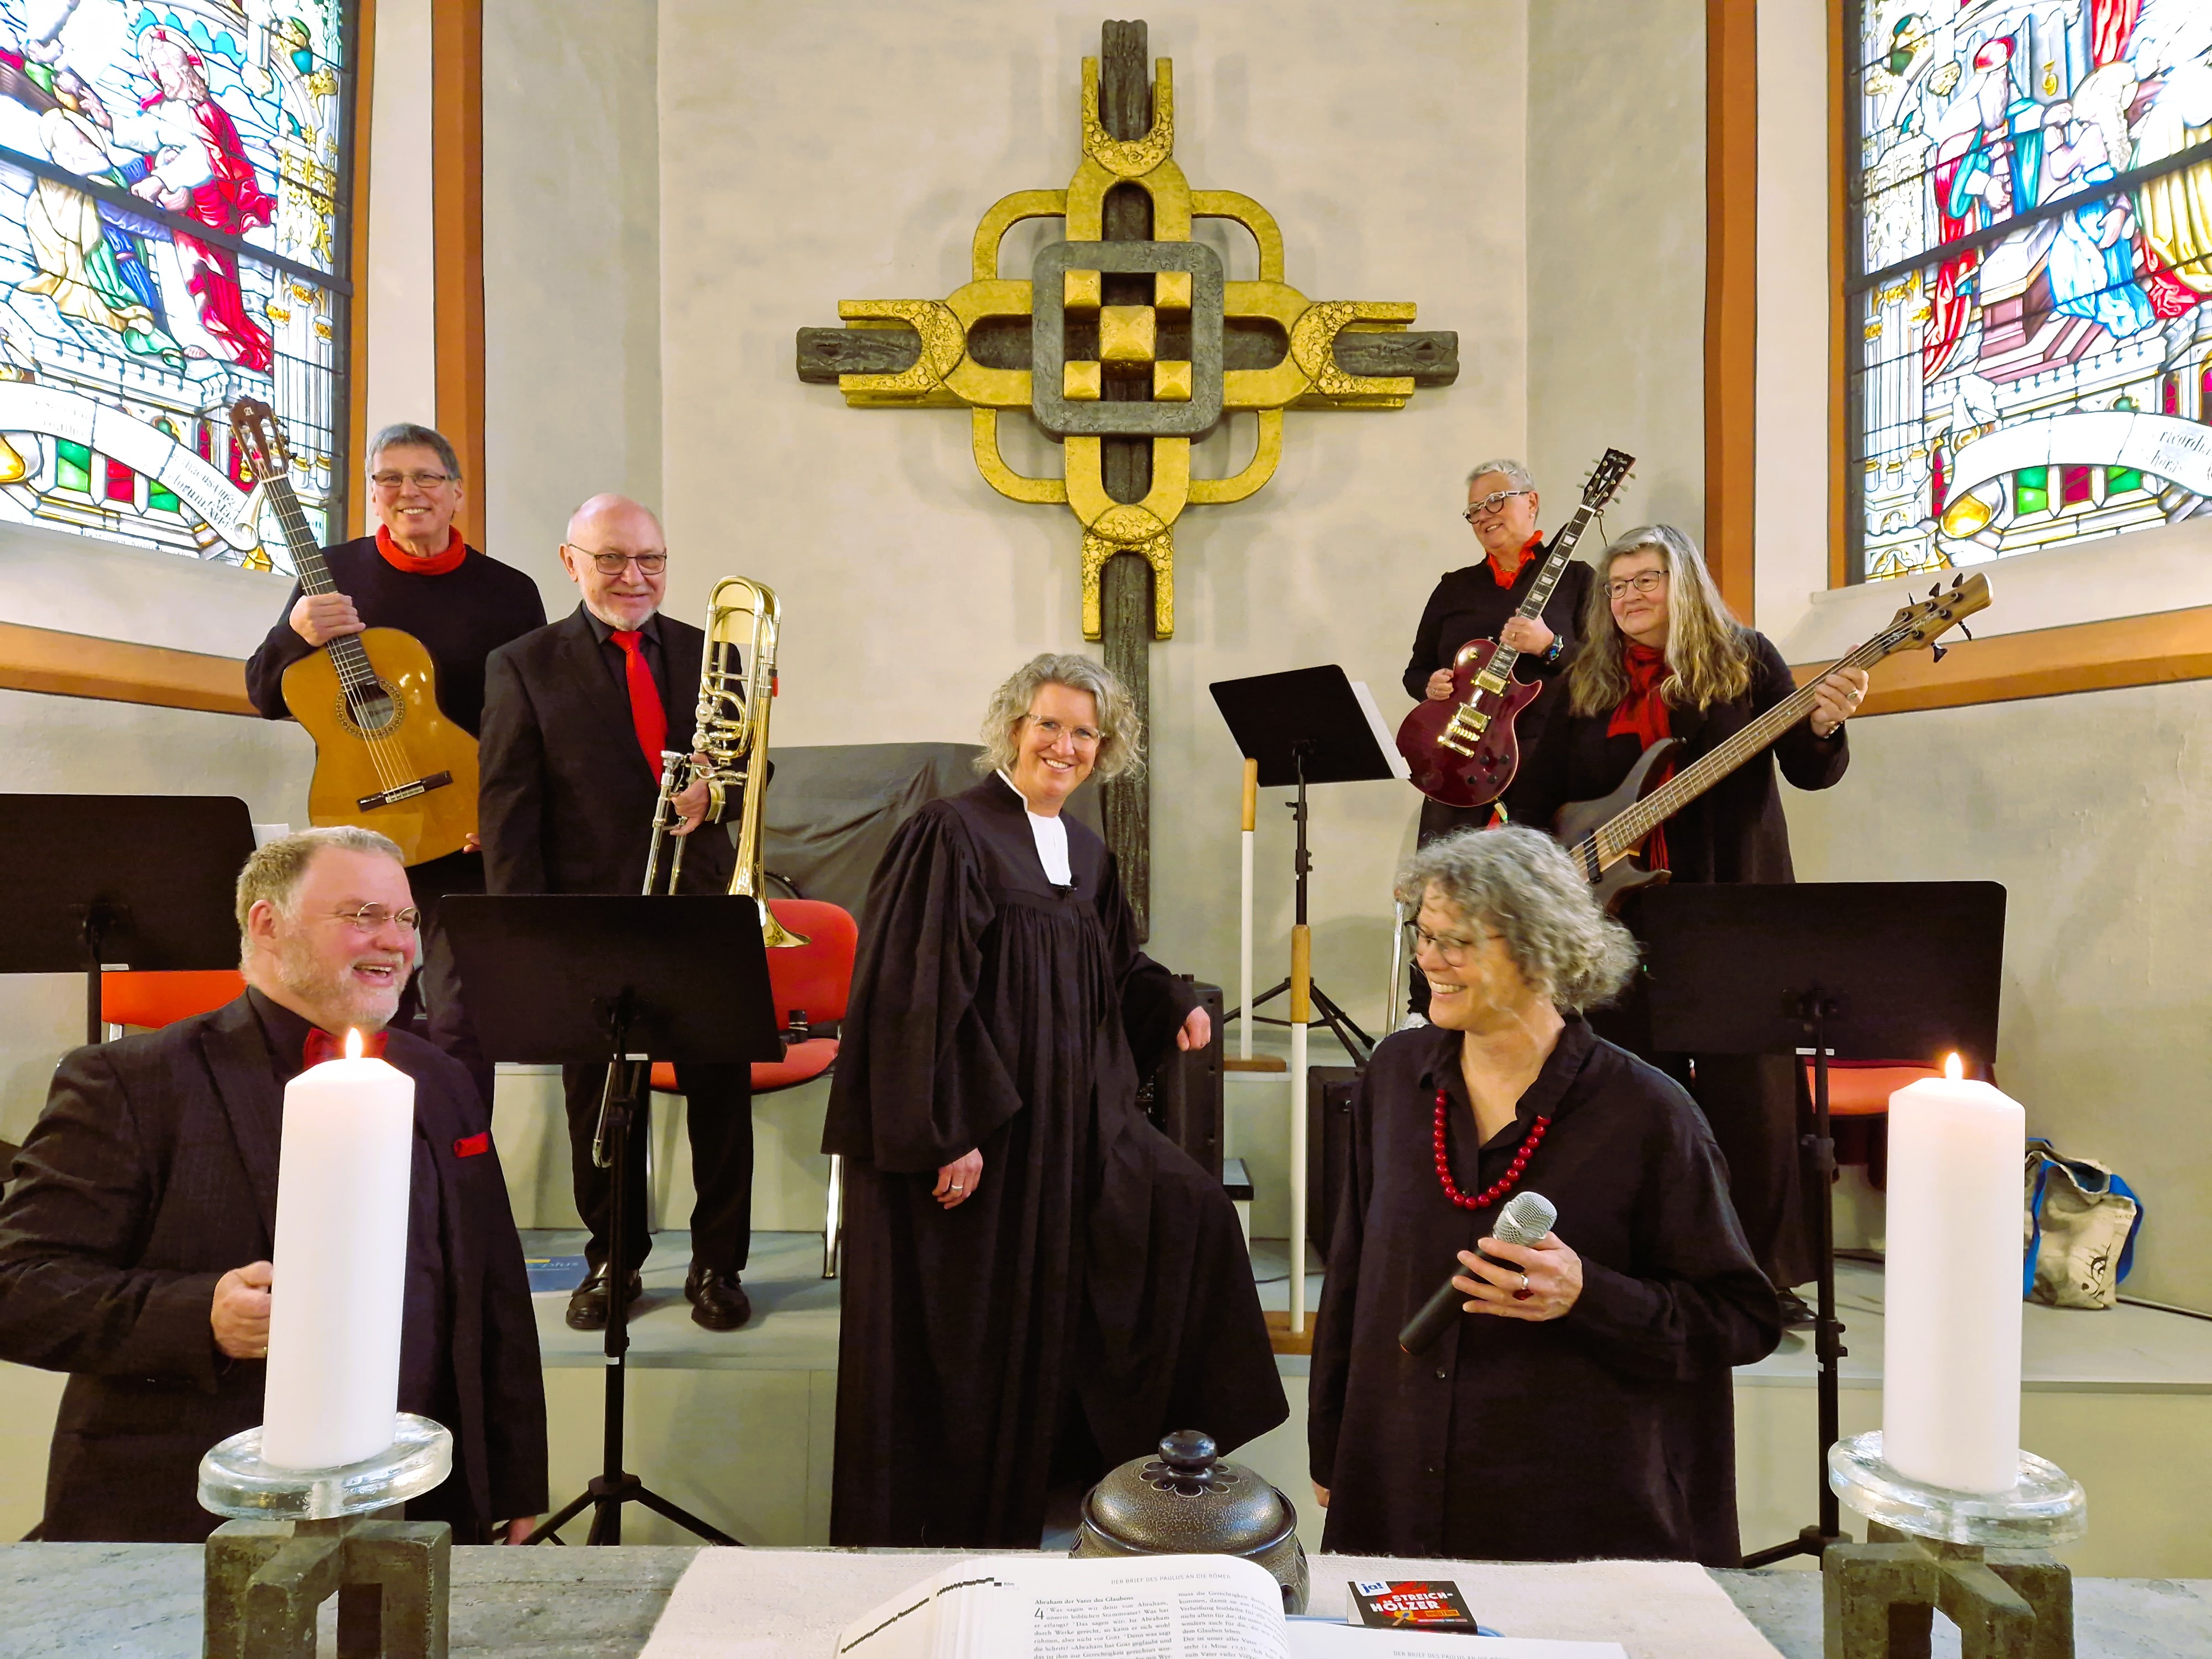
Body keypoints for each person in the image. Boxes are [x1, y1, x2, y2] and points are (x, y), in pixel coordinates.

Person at [823, 654, 1286, 1547]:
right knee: (974, 1342)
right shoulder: (950, 834)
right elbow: (913, 995)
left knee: (1186, 1210)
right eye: (1049, 725)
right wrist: (946, 1129)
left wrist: (1177, 1004)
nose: (1064, 746)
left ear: (1103, 748)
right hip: (986, 1134)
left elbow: (1113, 970)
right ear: (1012, 727)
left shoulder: (1084, 851)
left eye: (1084, 732)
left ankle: (1142, 1469)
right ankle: (956, 1526)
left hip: (1074, 1127)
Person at [0, 827, 547, 1543]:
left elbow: (491, 1288)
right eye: (362, 916)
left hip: (414, 1510)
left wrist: (509, 1478)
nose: (397, 942)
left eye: (406, 919)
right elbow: (18, 1286)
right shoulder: (130, 1082)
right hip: (180, 1519)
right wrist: (203, 1316)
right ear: (268, 923)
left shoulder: (439, 1078)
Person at [1308, 826, 1781, 1564]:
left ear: (1540, 950)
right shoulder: (1394, 1077)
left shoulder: (1649, 1114)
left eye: (1457, 942)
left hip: (1567, 1516)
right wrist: (1332, 1446)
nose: (1429, 960)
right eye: (1424, 934)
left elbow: (1741, 1319)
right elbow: (1353, 1272)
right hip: (1396, 1497)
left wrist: (1588, 1294)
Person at [1511, 525, 1869, 1318]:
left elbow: (1812, 773)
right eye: (1618, 585)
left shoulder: (1747, 660)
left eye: (1648, 580)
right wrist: (1556, 869)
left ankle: (1758, 1275)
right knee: (1631, 1089)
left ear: (1687, 586)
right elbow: (1536, 797)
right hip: (1616, 920)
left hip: (1732, 908)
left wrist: (1824, 724)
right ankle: (1642, 1257)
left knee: (1753, 1096)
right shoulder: (1584, 678)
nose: (1630, 596)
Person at [477, 493, 755, 1333]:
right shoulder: (522, 663)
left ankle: (718, 1265)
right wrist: (525, 940)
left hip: (700, 905)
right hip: (586, 915)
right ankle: (615, 1261)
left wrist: (723, 791)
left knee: (720, 1094)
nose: (636, 577)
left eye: (652, 561)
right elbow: (508, 808)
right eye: (613, 560)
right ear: (572, 563)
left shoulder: (713, 655)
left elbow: (752, 767)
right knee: (599, 1103)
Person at [245, 424, 546, 1110]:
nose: (408, 492)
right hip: (362, 834)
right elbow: (265, 694)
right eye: (389, 479)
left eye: (426, 478)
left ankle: (460, 1169)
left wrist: (500, 815)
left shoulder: (506, 592)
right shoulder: (330, 574)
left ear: (457, 494)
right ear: (373, 497)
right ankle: (369, 1163)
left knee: (461, 1022)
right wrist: (297, 634)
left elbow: (531, 716)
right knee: (363, 1010)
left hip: (462, 827)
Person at [1400, 460, 1594, 1018]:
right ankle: (1427, 1009)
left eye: (1497, 501)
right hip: (1459, 755)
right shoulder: (1454, 588)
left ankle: (1548, 1008)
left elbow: (1604, 670)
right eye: (1474, 509)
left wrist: (1550, 645)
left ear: (1531, 503)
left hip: (1545, 759)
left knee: (1539, 889)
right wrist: (1430, 684)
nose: (1484, 515)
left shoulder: (1577, 579)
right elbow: (1417, 670)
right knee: (1441, 884)